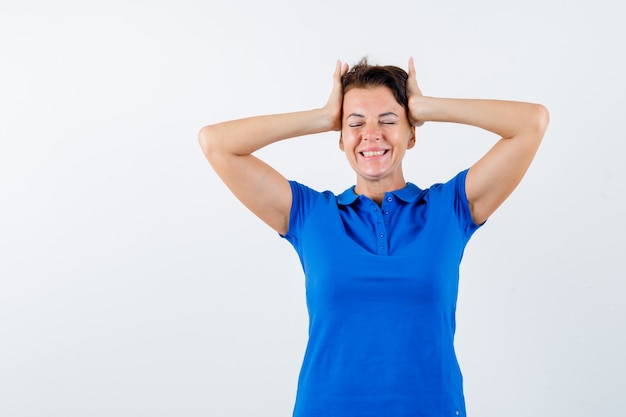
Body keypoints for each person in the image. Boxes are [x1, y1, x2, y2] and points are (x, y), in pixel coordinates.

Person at [198, 57, 549, 417]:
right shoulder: (309, 215)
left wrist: (426, 107)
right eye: (356, 123)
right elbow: (216, 143)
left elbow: (531, 123)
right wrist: (321, 116)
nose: (372, 134)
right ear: (340, 138)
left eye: (388, 120)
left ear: (412, 134)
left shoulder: (451, 208)